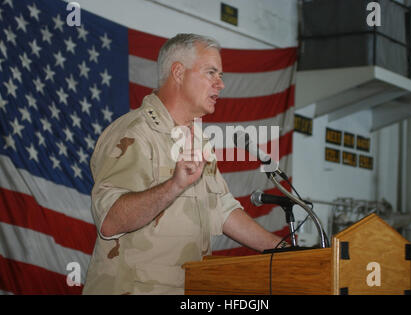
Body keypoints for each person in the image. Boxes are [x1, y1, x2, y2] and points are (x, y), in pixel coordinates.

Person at [82, 34, 286, 295]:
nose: (220, 84)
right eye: (211, 72)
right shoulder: (135, 133)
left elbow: (222, 210)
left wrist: (283, 250)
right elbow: (110, 220)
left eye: (220, 75)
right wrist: (174, 185)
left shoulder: (198, 141)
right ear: (178, 72)